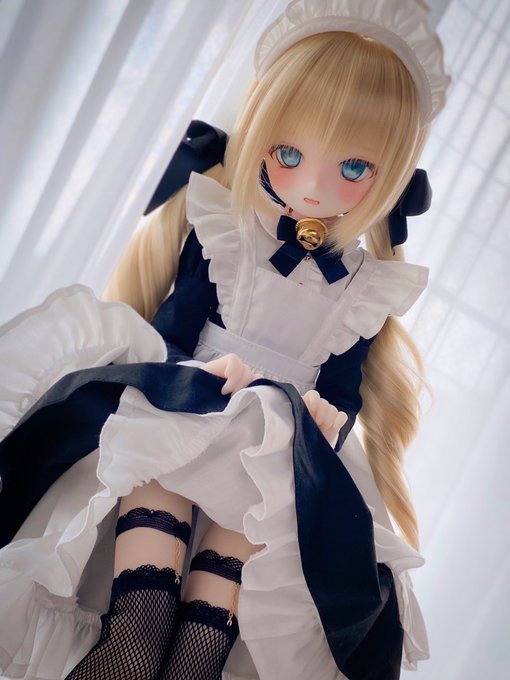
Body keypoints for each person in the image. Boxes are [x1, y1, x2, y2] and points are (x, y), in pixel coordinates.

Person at [0, 0, 450, 678]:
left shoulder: (366, 289)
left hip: (278, 462)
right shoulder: (227, 236)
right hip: (183, 416)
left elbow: (342, 386)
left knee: (199, 653)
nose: (314, 186)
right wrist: (193, 372)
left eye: (354, 169)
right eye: (290, 154)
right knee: (139, 623)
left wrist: (328, 419)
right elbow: (171, 330)